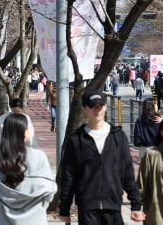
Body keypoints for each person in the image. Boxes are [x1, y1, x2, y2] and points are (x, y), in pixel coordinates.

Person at [58, 90, 145, 224]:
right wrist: (64, 209)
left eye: (100, 106)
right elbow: (69, 177)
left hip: (113, 206)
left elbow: (127, 171)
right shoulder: (76, 140)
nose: (97, 110)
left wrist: (136, 204)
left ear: (105, 107)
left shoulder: (118, 136)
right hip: (87, 208)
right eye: (93, 107)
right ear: (84, 109)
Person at [0, 113, 57, 225]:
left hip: (4, 219)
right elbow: (50, 192)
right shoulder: (39, 157)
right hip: (35, 218)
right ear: (24, 133)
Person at [137, 117, 163, 225]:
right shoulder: (151, 155)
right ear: (162, 131)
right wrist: (137, 208)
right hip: (156, 215)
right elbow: (141, 185)